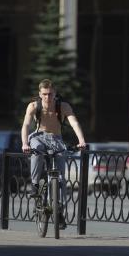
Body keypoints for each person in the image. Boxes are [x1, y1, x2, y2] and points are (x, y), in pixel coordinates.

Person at [21, 79, 86, 229]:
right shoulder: (33, 106)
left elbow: (74, 122)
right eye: (44, 94)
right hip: (38, 136)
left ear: (55, 93)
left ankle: (59, 211)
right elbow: (25, 125)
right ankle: (36, 184)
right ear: (40, 94)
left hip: (57, 139)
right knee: (36, 151)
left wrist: (81, 141)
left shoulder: (63, 106)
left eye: (50, 94)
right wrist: (25, 143)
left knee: (61, 178)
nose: (47, 97)